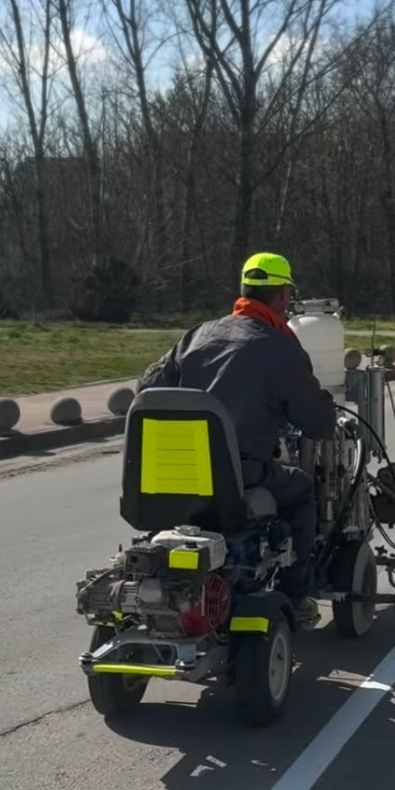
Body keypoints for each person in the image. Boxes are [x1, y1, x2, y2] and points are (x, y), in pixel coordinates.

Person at [136, 251, 336, 623]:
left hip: (173, 478)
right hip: (237, 478)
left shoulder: (197, 335)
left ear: (243, 291)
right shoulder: (280, 347)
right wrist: (325, 402)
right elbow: (318, 424)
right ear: (281, 297)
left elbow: (146, 388)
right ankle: (297, 595)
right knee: (302, 491)